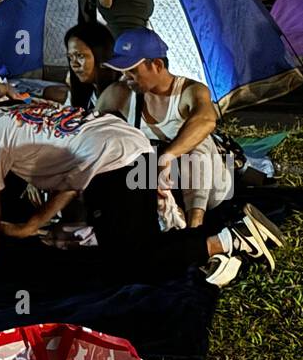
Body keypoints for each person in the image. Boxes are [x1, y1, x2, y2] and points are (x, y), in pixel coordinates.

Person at [0, 97, 280, 286]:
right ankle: (219, 242)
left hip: (115, 161)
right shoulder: (10, 115)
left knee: (131, 263)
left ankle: (232, 239)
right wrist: (35, 223)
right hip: (135, 147)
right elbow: (70, 171)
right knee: (136, 244)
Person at [95, 28, 231, 228]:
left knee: (197, 143)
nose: (126, 77)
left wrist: (168, 156)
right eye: (122, 71)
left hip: (211, 189)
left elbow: (206, 120)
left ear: (157, 65)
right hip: (157, 185)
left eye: (132, 70)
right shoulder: (120, 93)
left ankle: (195, 228)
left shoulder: (189, 90)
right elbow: (90, 129)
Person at [40, 23, 120, 109]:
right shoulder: (86, 90)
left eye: (80, 56)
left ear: (101, 55)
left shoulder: (119, 92)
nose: (74, 64)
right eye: (70, 57)